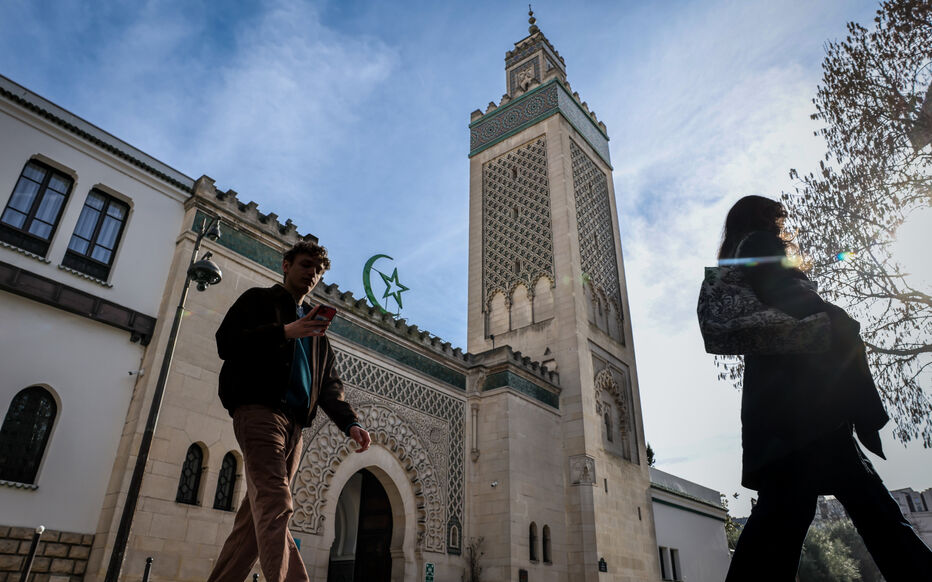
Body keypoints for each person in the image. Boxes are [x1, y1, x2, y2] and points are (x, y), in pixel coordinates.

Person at [719, 196, 932, 581]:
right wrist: (841, 319)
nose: (782, 225)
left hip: (781, 423)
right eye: (777, 217)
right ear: (764, 217)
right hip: (810, 417)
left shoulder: (738, 258)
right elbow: (793, 298)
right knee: (878, 519)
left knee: (778, 530)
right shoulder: (759, 245)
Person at [207, 240, 371, 582]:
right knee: (277, 503)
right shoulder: (258, 301)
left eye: (318, 270)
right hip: (259, 411)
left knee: (256, 520)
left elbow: (328, 385)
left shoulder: (317, 333)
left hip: (295, 426)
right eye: (306, 265)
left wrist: (350, 423)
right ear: (286, 265)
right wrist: (284, 332)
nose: (311, 274)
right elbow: (227, 342)